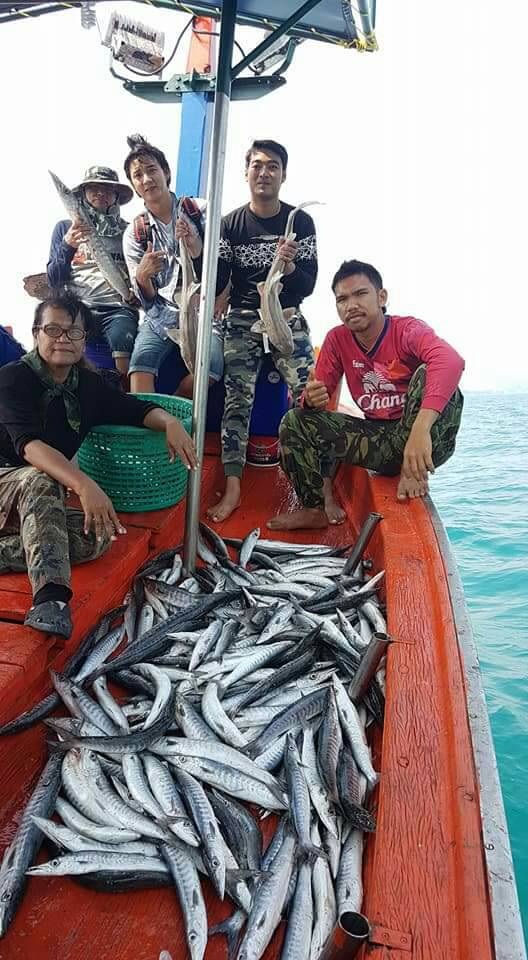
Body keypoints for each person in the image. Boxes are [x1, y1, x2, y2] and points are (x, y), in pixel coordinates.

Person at [0, 294, 197, 640]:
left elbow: (135, 409)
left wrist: (169, 423)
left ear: (84, 339)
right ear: (36, 334)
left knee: (99, 533)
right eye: (53, 329)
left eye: (73, 332)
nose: (63, 339)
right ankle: (51, 600)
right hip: (10, 480)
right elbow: (30, 448)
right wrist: (84, 485)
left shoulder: (87, 385)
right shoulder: (13, 379)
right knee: (41, 478)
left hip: (36, 506)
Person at [267, 259, 464, 531]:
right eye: (342, 299)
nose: (351, 305)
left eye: (360, 294)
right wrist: (311, 400)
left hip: (425, 439)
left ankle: (414, 471)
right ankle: (314, 509)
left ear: (381, 297)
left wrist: (420, 431)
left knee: (430, 371)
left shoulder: (407, 330)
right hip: (380, 439)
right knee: (295, 420)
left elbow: (451, 360)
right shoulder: (337, 340)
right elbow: (314, 403)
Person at [207, 138, 340, 523]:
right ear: (246, 172)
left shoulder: (300, 222)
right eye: (257, 165)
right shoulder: (229, 223)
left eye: (273, 166)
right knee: (237, 401)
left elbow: (309, 284)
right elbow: (219, 282)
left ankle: (323, 489)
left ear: (283, 175)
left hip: (285, 313)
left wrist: (291, 266)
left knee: (311, 396)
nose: (264, 172)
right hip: (244, 318)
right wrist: (199, 248)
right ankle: (233, 488)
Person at [122, 134, 224, 397]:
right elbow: (146, 301)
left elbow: (223, 269)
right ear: (133, 184)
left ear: (166, 172)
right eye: (138, 175)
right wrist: (143, 278)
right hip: (162, 314)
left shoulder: (202, 211)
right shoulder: (135, 232)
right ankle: (149, 424)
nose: (146, 179)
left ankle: (175, 416)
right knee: (140, 367)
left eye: (152, 170)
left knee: (210, 367)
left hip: (204, 312)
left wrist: (196, 247)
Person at [47, 166, 139, 377]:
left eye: (107, 189)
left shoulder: (130, 232)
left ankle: (123, 398)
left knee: (123, 338)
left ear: (116, 196)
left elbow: (140, 274)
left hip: (117, 308)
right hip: (79, 305)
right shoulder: (65, 228)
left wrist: (138, 293)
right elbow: (54, 279)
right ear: (83, 194)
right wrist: (67, 246)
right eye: (93, 189)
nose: (100, 194)